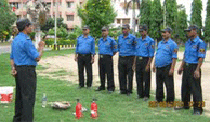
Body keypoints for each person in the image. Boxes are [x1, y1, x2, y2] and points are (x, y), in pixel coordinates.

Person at [10, 18, 45, 122]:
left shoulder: (15, 40)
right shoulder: (26, 41)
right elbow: (37, 57)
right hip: (27, 71)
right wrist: (41, 47)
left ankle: (18, 119)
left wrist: (13, 68)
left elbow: (12, 57)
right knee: (28, 97)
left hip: (18, 70)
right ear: (26, 27)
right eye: (30, 26)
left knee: (20, 96)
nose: (31, 28)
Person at [176, 25, 206, 115]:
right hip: (187, 67)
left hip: (194, 67)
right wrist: (181, 66)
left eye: (189, 31)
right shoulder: (188, 42)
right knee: (184, 87)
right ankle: (185, 104)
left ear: (195, 31)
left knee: (195, 89)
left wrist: (197, 70)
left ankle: (198, 109)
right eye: (187, 31)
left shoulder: (200, 43)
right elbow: (185, 55)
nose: (188, 33)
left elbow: (201, 58)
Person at [152, 27, 177, 105]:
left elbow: (174, 57)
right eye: (162, 32)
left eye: (165, 32)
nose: (163, 34)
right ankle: (159, 99)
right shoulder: (160, 43)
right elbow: (157, 54)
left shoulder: (173, 44)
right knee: (159, 84)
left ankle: (170, 101)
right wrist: (154, 64)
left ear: (169, 33)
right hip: (159, 66)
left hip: (167, 66)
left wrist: (172, 68)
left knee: (169, 85)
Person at [133, 25, 155, 101]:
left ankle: (146, 95)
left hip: (145, 60)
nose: (141, 33)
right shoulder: (138, 40)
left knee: (146, 78)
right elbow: (136, 53)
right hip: (138, 60)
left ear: (146, 31)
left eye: (142, 31)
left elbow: (151, 54)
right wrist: (134, 64)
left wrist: (148, 64)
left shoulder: (150, 41)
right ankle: (140, 93)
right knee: (138, 78)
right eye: (140, 31)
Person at [95, 26, 117, 93]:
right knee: (101, 72)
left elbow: (115, 50)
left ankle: (111, 87)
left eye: (105, 31)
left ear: (108, 31)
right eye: (102, 31)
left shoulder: (111, 40)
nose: (103, 32)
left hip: (108, 58)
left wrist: (111, 55)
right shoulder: (100, 40)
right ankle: (102, 86)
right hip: (101, 57)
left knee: (109, 73)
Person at [118, 24, 136, 96]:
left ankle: (129, 90)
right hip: (121, 57)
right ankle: (123, 89)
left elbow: (135, 48)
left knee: (130, 74)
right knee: (121, 74)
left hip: (130, 58)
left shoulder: (132, 38)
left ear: (129, 29)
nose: (124, 30)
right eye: (123, 29)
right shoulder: (120, 38)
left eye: (125, 29)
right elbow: (118, 47)